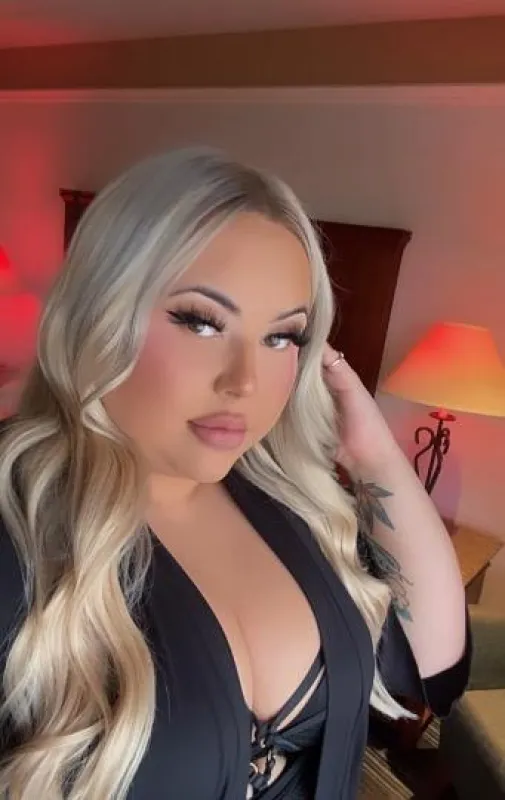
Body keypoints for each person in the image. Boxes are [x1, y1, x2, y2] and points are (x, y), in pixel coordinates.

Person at [0, 147, 470, 800]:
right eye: (200, 323)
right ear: (99, 314)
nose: (245, 382)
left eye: (282, 337)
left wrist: (374, 455)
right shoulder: (19, 517)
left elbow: (434, 670)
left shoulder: (287, 500)